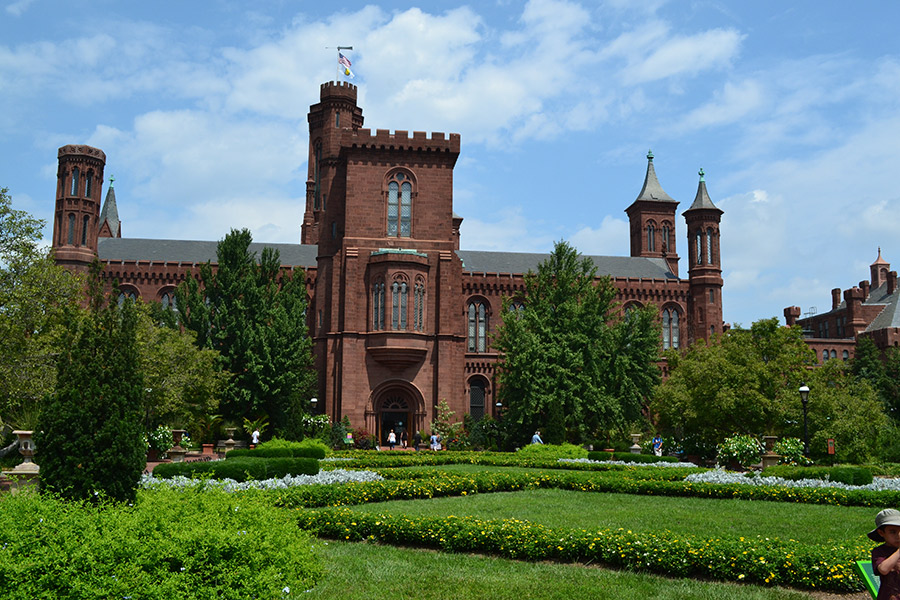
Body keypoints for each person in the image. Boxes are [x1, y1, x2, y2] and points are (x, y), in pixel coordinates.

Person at [869, 508, 900, 599]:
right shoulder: (880, 552)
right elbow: (883, 569)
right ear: (881, 533)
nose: (898, 536)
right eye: (892, 532)